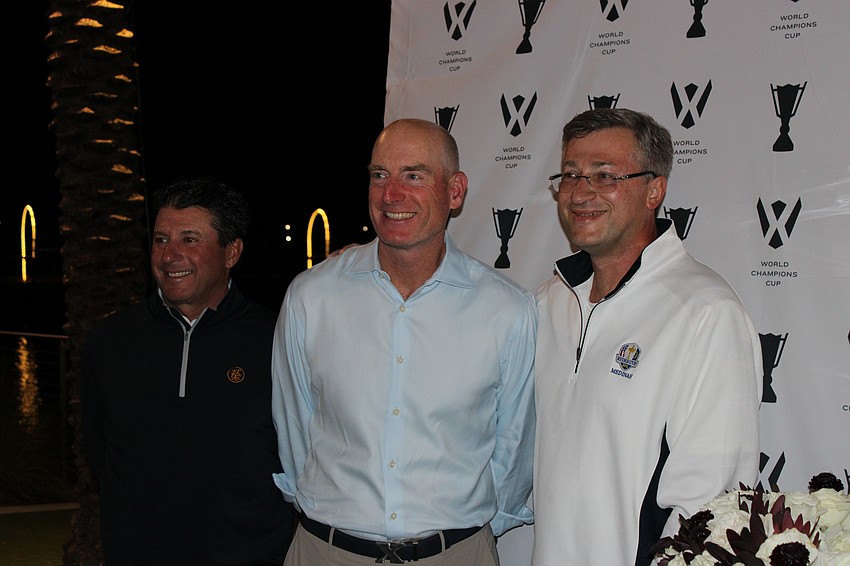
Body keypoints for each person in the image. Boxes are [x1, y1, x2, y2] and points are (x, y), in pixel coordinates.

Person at [272, 118, 537, 566]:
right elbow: (295, 430)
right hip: (327, 552)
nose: (390, 194)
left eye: (413, 175)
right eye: (379, 175)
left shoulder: (507, 309)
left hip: (455, 555)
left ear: (455, 191)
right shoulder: (311, 297)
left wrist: (465, 536)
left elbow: (515, 449)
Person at [532, 108, 762, 566]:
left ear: (655, 189)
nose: (581, 193)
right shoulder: (550, 301)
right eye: (572, 175)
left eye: (605, 175)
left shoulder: (705, 312)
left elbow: (711, 508)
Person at [81, 177, 294, 565]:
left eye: (190, 240)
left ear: (232, 252)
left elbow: (299, 455)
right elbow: (100, 450)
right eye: (161, 240)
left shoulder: (278, 340)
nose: (169, 255)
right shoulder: (109, 342)